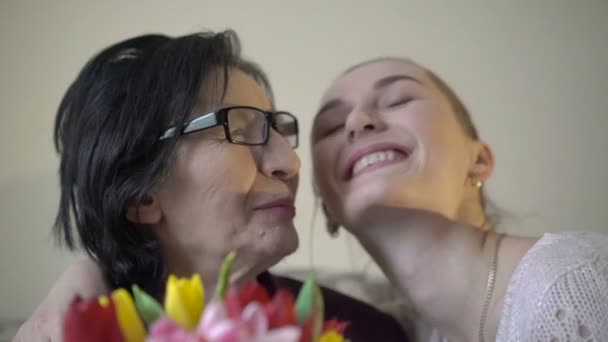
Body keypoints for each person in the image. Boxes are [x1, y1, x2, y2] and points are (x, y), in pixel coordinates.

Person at [13, 32, 409, 341]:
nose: (290, 163)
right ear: (141, 194)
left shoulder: (362, 331)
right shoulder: (73, 333)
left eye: (277, 132)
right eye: (241, 131)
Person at [311, 57, 608, 341]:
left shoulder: (577, 280)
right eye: (333, 126)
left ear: (479, 160)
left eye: (398, 100)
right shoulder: (378, 332)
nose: (357, 121)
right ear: (327, 206)